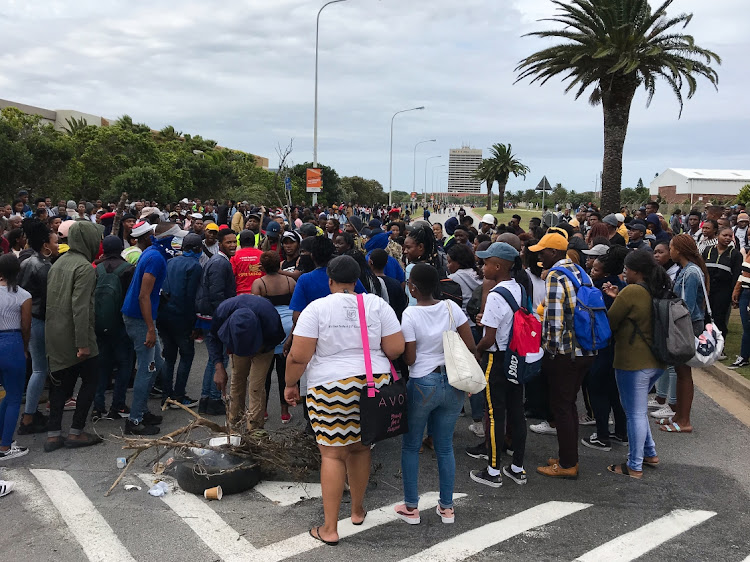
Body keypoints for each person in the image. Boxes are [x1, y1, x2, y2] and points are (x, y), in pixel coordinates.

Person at [284, 255, 405, 545]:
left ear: (330, 280)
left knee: (333, 454)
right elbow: (396, 348)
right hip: (373, 384)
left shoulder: (317, 308)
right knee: (361, 450)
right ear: (358, 279)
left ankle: (330, 528)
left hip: (330, 387)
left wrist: (290, 385)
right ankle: (358, 510)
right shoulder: (376, 304)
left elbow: (299, 355)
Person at [397, 263, 474, 523]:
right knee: (444, 446)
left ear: (413, 288)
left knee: (410, 445)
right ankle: (447, 507)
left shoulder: (410, 314)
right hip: (452, 381)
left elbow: (409, 358)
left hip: (422, 383)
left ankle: (411, 507)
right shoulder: (452, 308)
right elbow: (470, 345)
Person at [529, 232, 597, 478]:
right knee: (568, 404)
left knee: (562, 407)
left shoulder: (556, 276)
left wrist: (549, 351)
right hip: (586, 347)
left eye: (543, 251)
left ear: (555, 253)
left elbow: (554, 319)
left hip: (565, 352)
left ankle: (568, 464)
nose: (539, 255)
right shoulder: (580, 270)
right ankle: (567, 457)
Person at [467, 243, 529, 488]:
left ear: (498, 266)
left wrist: (477, 351)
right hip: (517, 357)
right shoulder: (521, 289)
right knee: (517, 413)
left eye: (485, 263)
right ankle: (517, 467)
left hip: (497, 359)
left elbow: (489, 338)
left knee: (494, 415)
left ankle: (493, 470)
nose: (482, 267)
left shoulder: (495, 294)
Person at [602, 251, 669, 478]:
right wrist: (618, 297)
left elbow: (611, 321)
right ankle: (649, 453)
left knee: (634, 413)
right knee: (637, 410)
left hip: (632, 361)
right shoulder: (659, 287)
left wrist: (616, 299)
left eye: (627, 268)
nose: (624, 272)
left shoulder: (631, 291)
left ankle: (634, 465)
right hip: (658, 360)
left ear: (637, 271)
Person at [122, 222, 188, 435]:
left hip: (141, 317)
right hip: (140, 319)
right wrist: (150, 328)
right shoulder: (155, 258)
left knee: (156, 364)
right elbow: (143, 295)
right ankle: (134, 420)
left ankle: (141, 410)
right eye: (177, 238)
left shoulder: (152, 252)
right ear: (169, 239)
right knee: (147, 368)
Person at [44, 221, 103, 451]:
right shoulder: (84, 267)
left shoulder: (57, 264)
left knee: (59, 386)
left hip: (55, 336)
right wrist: (83, 344)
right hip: (78, 338)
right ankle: (76, 432)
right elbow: (81, 309)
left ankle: (53, 435)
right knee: (90, 382)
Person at [210, 294, 285, 430]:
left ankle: (254, 429)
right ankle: (234, 423)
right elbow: (213, 338)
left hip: (263, 346)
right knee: (237, 381)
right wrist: (219, 367)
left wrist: (259, 348)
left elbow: (277, 337)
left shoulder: (269, 317)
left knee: (256, 387)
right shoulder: (222, 312)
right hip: (237, 347)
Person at [581, 247, 628, 452]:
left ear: (606, 274)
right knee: (614, 392)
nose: (592, 271)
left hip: (600, 347)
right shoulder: (624, 288)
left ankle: (601, 436)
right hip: (618, 348)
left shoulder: (596, 290)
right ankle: (621, 432)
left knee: (598, 391)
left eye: (597, 270)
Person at [664, 234, 710, 433]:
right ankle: (678, 415)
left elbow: (686, 306)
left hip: (687, 326)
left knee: (683, 373)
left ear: (679, 250)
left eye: (671, 247)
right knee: (681, 372)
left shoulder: (691, 273)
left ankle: (684, 420)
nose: (670, 251)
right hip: (685, 325)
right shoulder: (687, 270)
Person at [16, 222, 58, 434]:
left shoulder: (25, 260)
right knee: (40, 369)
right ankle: (29, 417)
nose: (58, 244)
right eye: (55, 241)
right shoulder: (44, 267)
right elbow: (50, 299)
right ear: (45, 245)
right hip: (39, 320)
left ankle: (30, 414)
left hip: (28, 319)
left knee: (37, 368)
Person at [91, 236, 135, 421]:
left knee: (102, 364)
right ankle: (118, 404)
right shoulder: (128, 269)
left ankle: (98, 406)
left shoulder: (96, 269)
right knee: (125, 363)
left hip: (99, 323)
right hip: (121, 323)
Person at [158, 233, 203, 408]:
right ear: (198, 249)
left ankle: (166, 396)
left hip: (164, 315)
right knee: (186, 355)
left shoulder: (170, 261)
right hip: (181, 318)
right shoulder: (194, 266)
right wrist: (194, 324)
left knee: (169, 357)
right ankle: (178, 396)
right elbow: (191, 297)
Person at [196, 228, 238, 415]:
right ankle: (214, 399)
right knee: (219, 360)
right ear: (220, 244)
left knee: (213, 359)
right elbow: (216, 294)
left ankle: (207, 398)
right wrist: (223, 318)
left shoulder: (219, 261)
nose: (232, 245)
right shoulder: (221, 263)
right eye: (228, 242)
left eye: (234, 242)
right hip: (215, 316)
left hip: (211, 314)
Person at [251, 251, 296, 423]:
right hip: (288, 330)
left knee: (265, 374)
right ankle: (285, 412)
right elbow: (296, 306)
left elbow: (256, 311)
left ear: (262, 266)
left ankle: (263, 411)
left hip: (269, 329)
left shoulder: (259, 283)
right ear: (280, 265)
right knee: (284, 372)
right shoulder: (290, 281)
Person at [0, 255, 31, 460]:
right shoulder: (23, 295)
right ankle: (4, 447)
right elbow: (26, 325)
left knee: (6, 394)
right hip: (12, 342)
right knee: (13, 397)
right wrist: (25, 347)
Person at [703, 227, 741, 341]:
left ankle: (719, 345)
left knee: (719, 318)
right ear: (718, 235)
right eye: (725, 235)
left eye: (730, 236)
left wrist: (734, 294)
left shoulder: (735, 254)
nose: (728, 238)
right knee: (706, 317)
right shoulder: (708, 250)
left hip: (723, 292)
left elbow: (736, 275)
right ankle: (705, 343)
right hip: (708, 291)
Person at [369, 249, 407, 321]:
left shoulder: (367, 283)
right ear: (386, 263)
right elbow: (401, 307)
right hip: (392, 322)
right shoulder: (396, 284)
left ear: (370, 262)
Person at [232, 230, 264, 294]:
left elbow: (231, 276)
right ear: (254, 242)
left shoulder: (234, 256)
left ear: (240, 242)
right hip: (260, 293)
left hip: (241, 294)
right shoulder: (263, 255)